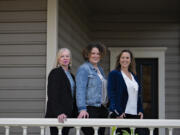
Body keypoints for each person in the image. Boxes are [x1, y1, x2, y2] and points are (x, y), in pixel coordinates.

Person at [107, 49, 143, 135]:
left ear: (130, 60)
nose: (125, 60)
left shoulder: (133, 75)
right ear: (119, 60)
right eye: (122, 57)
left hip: (135, 114)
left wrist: (140, 110)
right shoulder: (114, 74)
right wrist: (117, 112)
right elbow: (111, 94)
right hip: (122, 114)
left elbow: (137, 95)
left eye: (127, 58)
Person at [76, 42, 108, 135]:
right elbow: (80, 90)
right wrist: (82, 109)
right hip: (90, 109)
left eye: (98, 53)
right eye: (93, 53)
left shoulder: (100, 70)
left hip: (101, 109)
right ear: (87, 54)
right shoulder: (84, 68)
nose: (96, 56)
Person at [45, 48, 78, 135]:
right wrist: (58, 112)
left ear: (70, 59)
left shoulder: (71, 75)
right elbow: (52, 94)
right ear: (58, 59)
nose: (65, 58)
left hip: (67, 114)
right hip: (58, 115)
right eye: (62, 56)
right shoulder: (55, 72)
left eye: (67, 56)